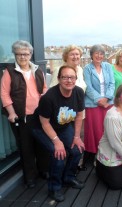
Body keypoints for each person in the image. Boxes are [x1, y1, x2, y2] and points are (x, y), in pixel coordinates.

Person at [31, 65, 85, 202]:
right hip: (42, 128)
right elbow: (44, 123)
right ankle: (54, 188)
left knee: (77, 149)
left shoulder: (78, 92)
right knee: (59, 155)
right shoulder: (48, 97)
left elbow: (79, 115)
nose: (68, 80)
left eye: (72, 77)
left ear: (76, 79)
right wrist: (57, 141)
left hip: (63, 126)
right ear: (59, 79)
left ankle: (68, 178)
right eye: (65, 77)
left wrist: (77, 137)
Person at [1, 40, 49, 188]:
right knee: (26, 148)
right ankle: (30, 177)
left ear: (30, 55)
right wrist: (11, 112)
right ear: (15, 55)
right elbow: (4, 94)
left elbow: (45, 90)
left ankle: (44, 170)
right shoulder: (9, 72)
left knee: (41, 144)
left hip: (38, 115)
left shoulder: (38, 70)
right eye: (19, 54)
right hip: (21, 117)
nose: (22, 57)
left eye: (25, 54)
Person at [82, 44, 115, 168]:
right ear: (91, 55)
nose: (99, 56)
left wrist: (107, 97)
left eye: (101, 54)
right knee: (96, 131)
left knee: (108, 130)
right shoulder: (87, 68)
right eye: (96, 53)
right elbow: (88, 87)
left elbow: (112, 83)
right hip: (93, 104)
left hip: (108, 103)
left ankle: (108, 154)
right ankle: (97, 156)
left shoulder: (108, 67)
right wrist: (99, 100)